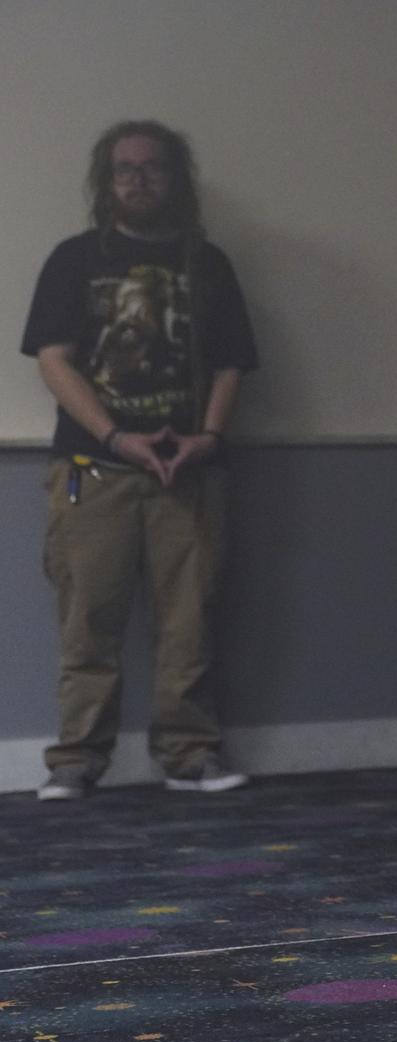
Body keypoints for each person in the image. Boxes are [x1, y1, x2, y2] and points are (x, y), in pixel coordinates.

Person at [22, 121, 258, 802]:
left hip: (191, 470)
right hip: (92, 471)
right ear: (106, 181)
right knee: (87, 617)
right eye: (125, 168)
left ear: (175, 178)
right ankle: (75, 760)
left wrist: (207, 438)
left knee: (191, 620)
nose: (138, 179)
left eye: (152, 167)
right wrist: (114, 434)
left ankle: (190, 754)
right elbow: (55, 359)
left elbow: (231, 363)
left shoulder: (208, 264)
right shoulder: (73, 260)